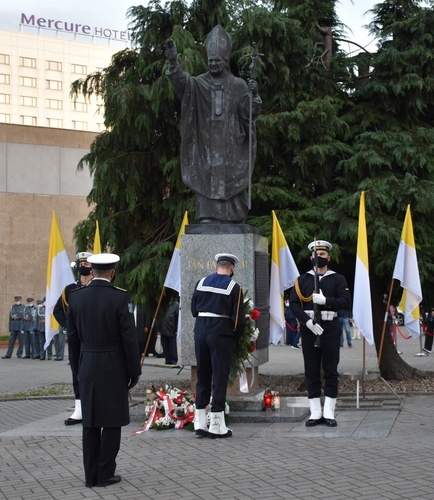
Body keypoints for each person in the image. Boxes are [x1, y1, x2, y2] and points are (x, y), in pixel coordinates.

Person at [165, 25, 262, 223]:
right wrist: (174, 63)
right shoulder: (199, 83)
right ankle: (207, 216)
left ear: (225, 62)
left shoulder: (238, 85)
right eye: (210, 61)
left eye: (217, 60)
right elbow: (183, 84)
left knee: (233, 180)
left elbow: (249, 113)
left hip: (232, 146)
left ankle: (234, 217)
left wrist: (254, 95)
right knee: (207, 179)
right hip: (206, 144)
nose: (213, 64)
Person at [66, 253, 140, 488]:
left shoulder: (76, 298)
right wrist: (133, 370)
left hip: (87, 362)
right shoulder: (120, 297)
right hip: (112, 365)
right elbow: (129, 339)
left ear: (93, 272)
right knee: (111, 421)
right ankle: (105, 473)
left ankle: (90, 475)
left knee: (90, 422)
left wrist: (78, 368)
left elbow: (73, 339)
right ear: (112, 272)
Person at [289, 240, 351, 428]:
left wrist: (326, 300)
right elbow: (293, 304)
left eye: (322, 255)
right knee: (312, 370)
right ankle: (315, 412)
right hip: (309, 329)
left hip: (330, 328)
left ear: (328, 257)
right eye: (316, 255)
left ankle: (329, 412)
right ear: (311, 257)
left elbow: (345, 301)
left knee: (331, 370)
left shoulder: (337, 279)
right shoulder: (302, 280)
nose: (319, 258)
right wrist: (306, 322)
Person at [191, 253, 246, 438]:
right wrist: (233, 337)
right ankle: (216, 425)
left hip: (200, 333)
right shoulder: (233, 287)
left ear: (216, 267)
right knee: (220, 378)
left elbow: (193, 310)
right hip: (220, 334)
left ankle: (199, 422)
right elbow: (238, 320)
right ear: (231, 270)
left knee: (203, 375)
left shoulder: (201, 282)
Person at [53, 251, 93, 425]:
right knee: (77, 371)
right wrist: (69, 326)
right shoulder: (70, 290)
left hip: (93, 336)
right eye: (80, 264)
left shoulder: (96, 287)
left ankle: (94, 407)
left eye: (86, 264)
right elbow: (57, 311)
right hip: (76, 338)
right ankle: (79, 408)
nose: (82, 267)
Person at [160, 293, 179, 365]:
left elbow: (177, 318)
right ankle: (167, 359)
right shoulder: (162, 305)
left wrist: (177, 329)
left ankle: (173, 359)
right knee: (165, 345)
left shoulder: (175, 305)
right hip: (163, 328)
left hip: (171, 328)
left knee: (172, 345)